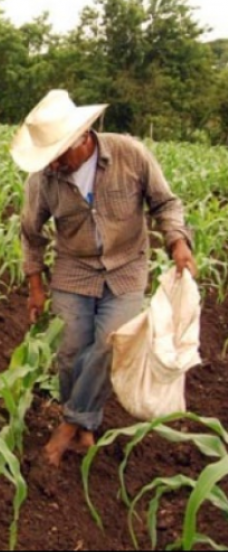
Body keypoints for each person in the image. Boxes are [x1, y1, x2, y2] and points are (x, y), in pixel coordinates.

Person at [10, 89, 197, 467]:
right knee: (70, 353)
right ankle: (85, 427)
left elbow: (165, 203)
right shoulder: (44, 180)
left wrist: (177, 241)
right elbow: (31, 234)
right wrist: (35, 288)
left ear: (81, 137)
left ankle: (68, 426)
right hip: (74, 270)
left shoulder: (130, 154)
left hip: (127, 267)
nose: (53, 164)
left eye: (58, 154)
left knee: (110, 344)